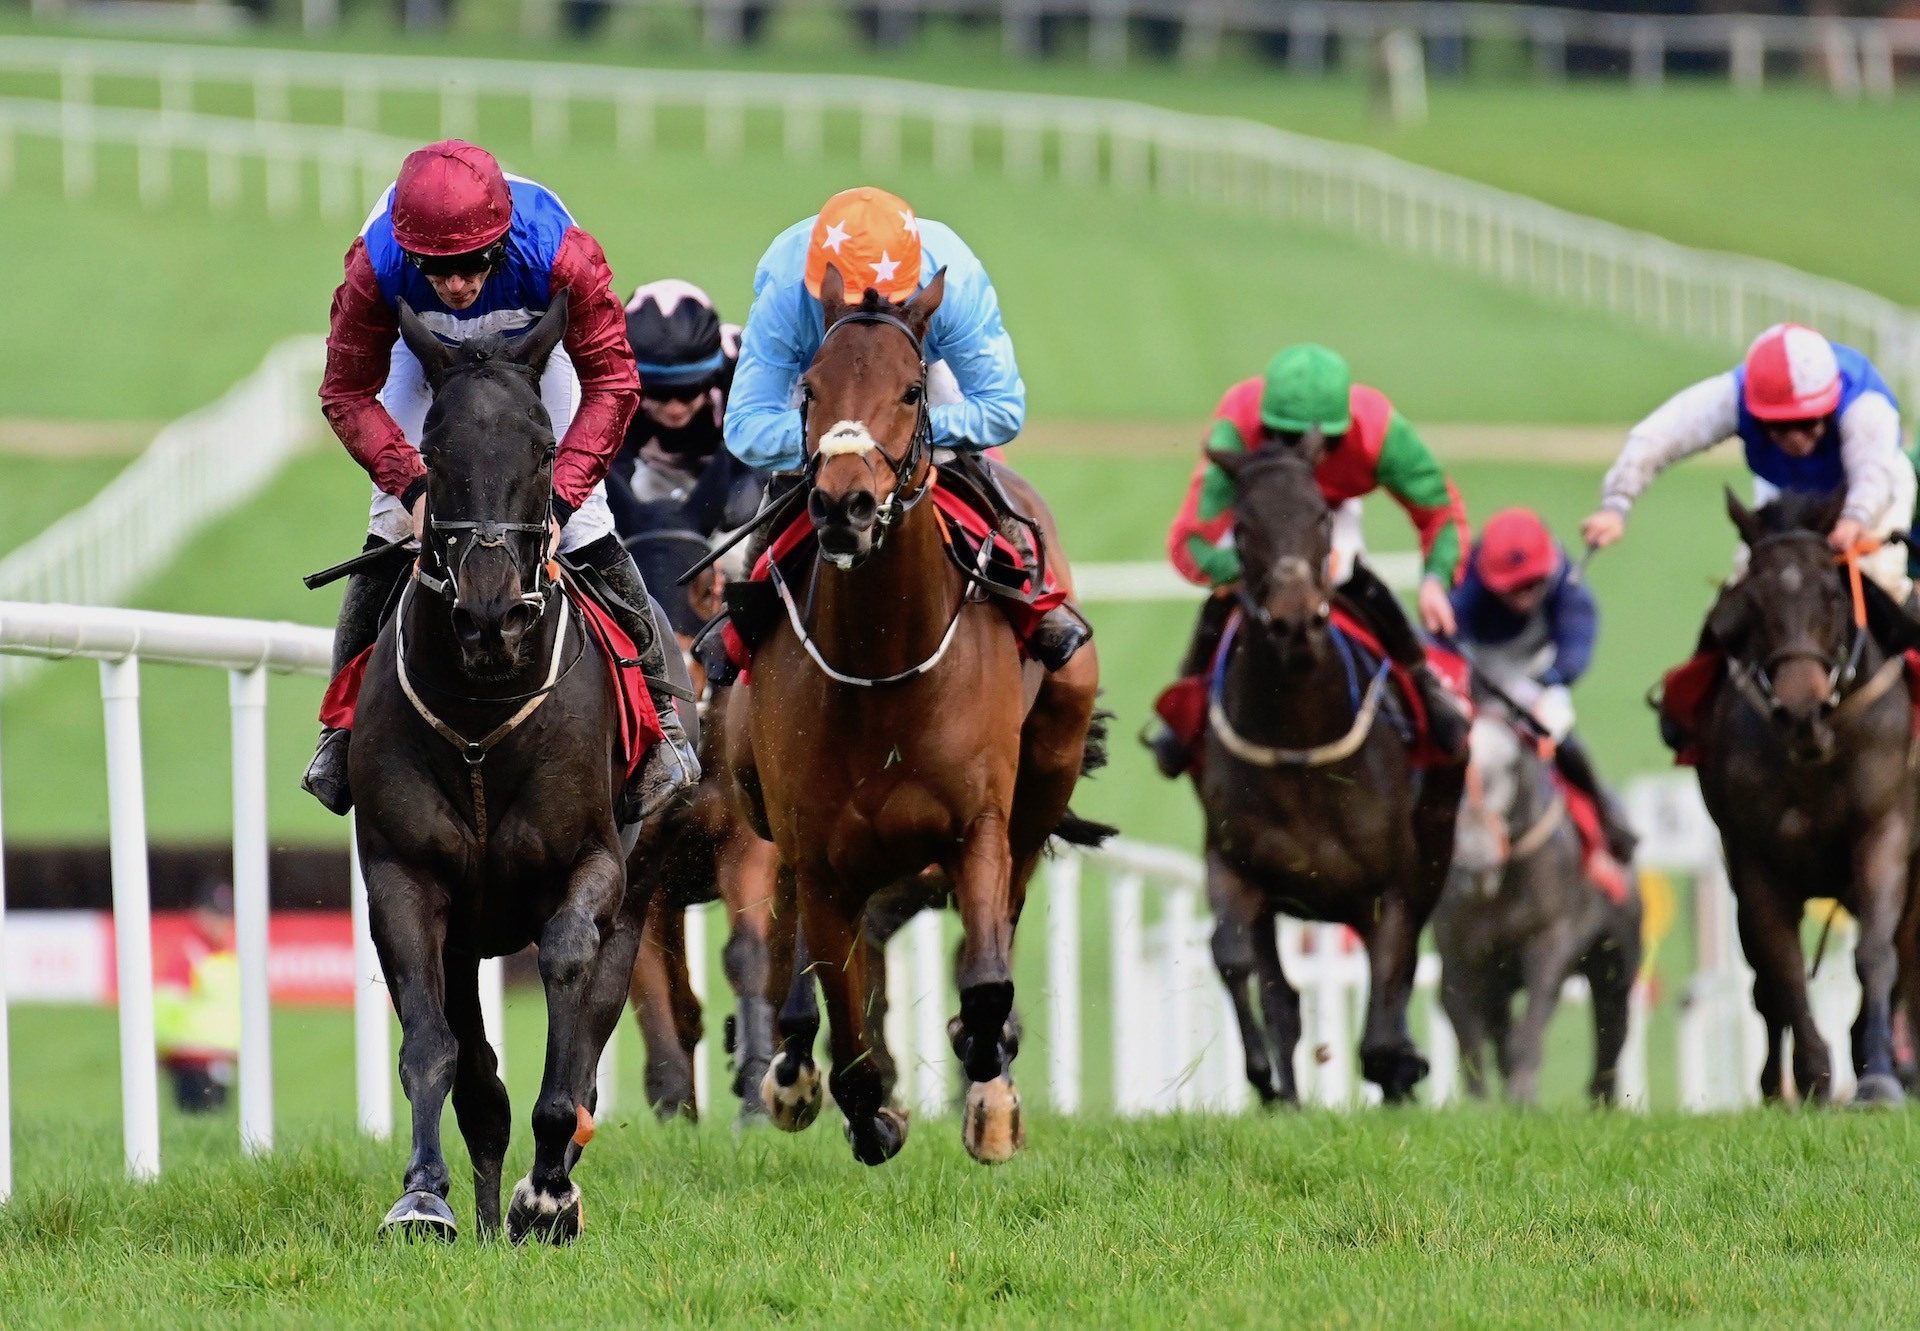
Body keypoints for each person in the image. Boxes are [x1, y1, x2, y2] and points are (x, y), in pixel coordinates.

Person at [302, 139, 699, 820]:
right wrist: (413, 487)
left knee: (585, 524)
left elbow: (613, 381)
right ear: (410, 253)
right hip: (418, 347)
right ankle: (340, 732)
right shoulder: (378, 265)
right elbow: (345, 392)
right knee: (393, 526)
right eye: (438, 269)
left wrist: (562, 496)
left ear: (501, 239)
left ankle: (660, 721)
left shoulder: (559, 253)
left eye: (472, 265)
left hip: (536, 343)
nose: (456, 284)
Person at [717, 184, 1088, 674]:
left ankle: (1025, 585)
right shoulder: (788, 288)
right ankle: (743, 615)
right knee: (794, 481)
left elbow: (1000, 410)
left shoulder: (954, 287)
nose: (863, 315)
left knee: (963, 457)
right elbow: (746, 426)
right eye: (847, 305)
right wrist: (838, 442)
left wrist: (901, 436)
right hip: (825, 379)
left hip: (913, 376)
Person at [1581, 323, 1914, 753]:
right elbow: (1659, 435)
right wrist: (1616, 504)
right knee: (1751, 589)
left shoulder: (1866, 406)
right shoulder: (1731, 395)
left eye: (1809, 423)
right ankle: (1695, 700)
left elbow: (1873, 474)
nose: (1796, 439)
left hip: (1868, 492)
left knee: (1884, 587)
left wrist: (1854, 519)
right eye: (1777, 426)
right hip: (1784, 497)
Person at [1146, 343, 1472, 777]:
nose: (1298, 452)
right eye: (1281, 437)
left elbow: (1440, 509)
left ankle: (1423, 685)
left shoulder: (1378, 428)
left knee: (1362, 584)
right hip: (1263, 521)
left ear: (1342, 431)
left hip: (1331, 519)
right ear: (1263, 422)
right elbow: (1190, 543)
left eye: (1318, 443)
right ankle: (1185, 711)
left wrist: (1435, 578)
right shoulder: (1238, 421)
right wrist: (1260, 575)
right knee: (1222, 604)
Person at [1452, 508, 1634, 860]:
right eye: (1513, 588)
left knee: (1557, 728)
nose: (1523, 596)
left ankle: (1607, 814)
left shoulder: (1567, 583)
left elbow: (1576, 645)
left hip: (1536, 673)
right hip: (1473, 670)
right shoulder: (1466, 580)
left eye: (1532, 585)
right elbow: (1440, 632)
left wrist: (1548, 680)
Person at [607, 278, 762, 545]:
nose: (675, 409)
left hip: (736, 470)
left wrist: (715, 521)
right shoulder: (612, 389)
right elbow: (612, 473)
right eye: (658, 393)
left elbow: (756, 465)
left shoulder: (744, 368)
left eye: (690, 391)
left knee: (737, 548)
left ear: (712, 377)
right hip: (658, 474)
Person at [154, 881, 240, 1114]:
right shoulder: (189, 954)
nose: (222, 922)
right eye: (216, 914)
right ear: (200, 913)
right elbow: (166, 1004)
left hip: (222, 1056)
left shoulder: (228, 955)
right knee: (198, 1120)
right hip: (190, 1058)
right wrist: (162, 1048)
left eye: (226, 915)